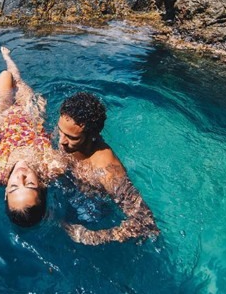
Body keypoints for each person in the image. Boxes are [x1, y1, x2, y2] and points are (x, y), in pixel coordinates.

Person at [0, 46, 65, 227]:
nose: (20, 177)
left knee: (5, 76)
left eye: (14, 186)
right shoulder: (53, 167)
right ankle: (7, 59)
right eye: (30, 185)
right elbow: (70, 147)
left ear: (6, 192)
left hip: (3, 117)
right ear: (42, 187)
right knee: (16, 79)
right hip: (32, 114)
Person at [57, 92, 159, 245]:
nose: (61, 141)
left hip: (93, 209)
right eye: (60, 130)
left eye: (72, 138)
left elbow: (146, 222)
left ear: (92, 135)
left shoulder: (107, 170)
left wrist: (94, 237)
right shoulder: (68, 129)